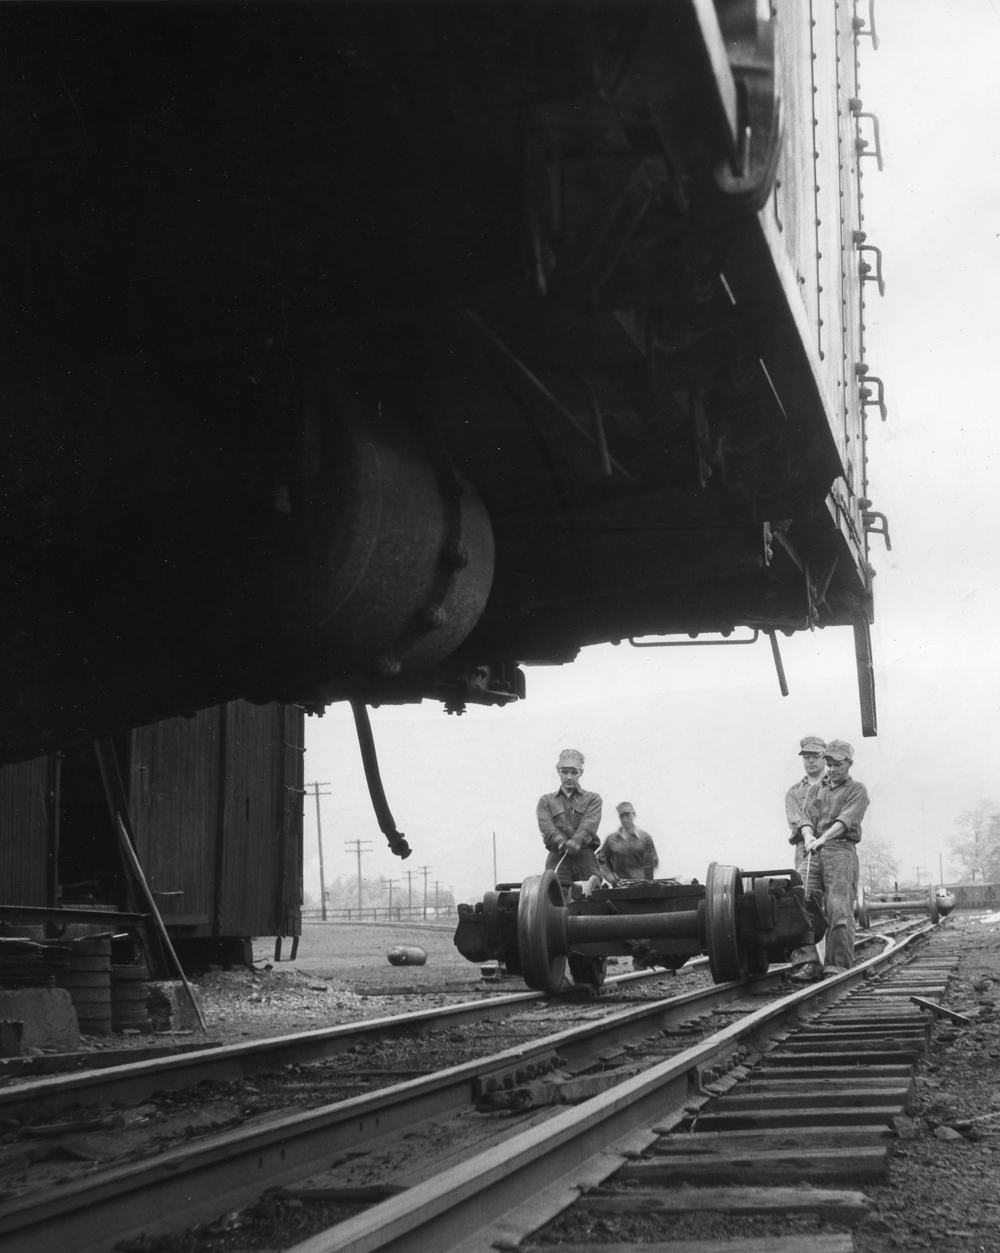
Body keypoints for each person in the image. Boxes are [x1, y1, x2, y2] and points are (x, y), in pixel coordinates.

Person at [792, 739, 869, 983]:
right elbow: (805, 819)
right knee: (799, 900)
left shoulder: (857, 790)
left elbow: (846, 821)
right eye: (830, 763)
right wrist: (808, 835)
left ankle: (836, 966)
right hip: (814, 851)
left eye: (838, 764)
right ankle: (807, 963)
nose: (833, 768)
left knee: (838, 908)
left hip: (841, 851)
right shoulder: (817, 790)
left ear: (849, 764)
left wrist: (822, 837)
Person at [536, 749, 602, 889]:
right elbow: (546, 826)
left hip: (586, 859)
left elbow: (590, 824)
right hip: (558, 857)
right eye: (564, 772)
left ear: (581, 773)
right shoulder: (546, 801)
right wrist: (560, 842)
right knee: (555, 896)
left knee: (593, 895)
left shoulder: (593, 799)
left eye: (574, 772)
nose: (569, 777)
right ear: (558, 772)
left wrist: (577, 841)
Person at [598, 802, 659, 884]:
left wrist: (644, 876)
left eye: (627, 815)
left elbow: (654, 861)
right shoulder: (611, 839)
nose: (625, 819)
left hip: (642, 886)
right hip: (620, 886)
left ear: (633, 815)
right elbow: (601, 861)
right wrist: (608, 874)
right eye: (622, 816)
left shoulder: (645, 837)